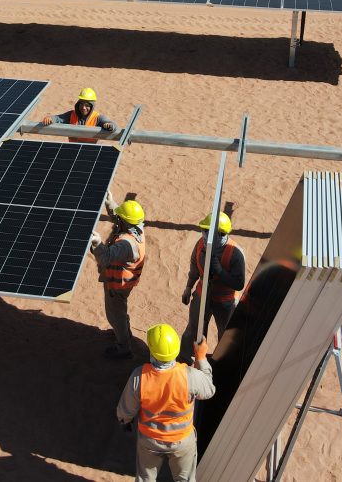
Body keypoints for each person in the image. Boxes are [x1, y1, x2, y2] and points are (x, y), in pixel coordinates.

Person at [116, 324, 215, 482]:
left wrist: (125, 421)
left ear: (152, 353)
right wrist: (201, 358)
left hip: (149, 440)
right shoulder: (189, 376)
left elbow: (125, 410)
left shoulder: (139, 376)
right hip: (182, 441)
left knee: (145, 478)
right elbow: (209, 390)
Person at [179, 211, 246, 364]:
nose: (204, 234)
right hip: (202, 296)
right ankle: (187, 360)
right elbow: (194, 266)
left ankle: (223, 364)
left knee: (225, 336)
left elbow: (239, 283)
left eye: (208, 231)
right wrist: (188, 288)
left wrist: (220, 271)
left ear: (221, 234)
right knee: (194, 330)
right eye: (204, 231)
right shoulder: (200, 244)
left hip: (225, 303)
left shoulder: (235, 253)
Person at [92, 199, 146, 359]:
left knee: (115, 314)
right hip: (124, 283)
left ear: (124, 222)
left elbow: (105, 258)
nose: (117, 218)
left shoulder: (126, 245)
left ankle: (123, 347)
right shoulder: (137, 229)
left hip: (117, 287)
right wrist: (110, 202)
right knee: (120, 311)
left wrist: (97, 244)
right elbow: (120, 216)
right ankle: (124, 333)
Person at [41, 87, 116, 143]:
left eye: (87, 105)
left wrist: (109, 125)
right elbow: (58, 118)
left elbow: (113, 125)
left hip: (89, 152)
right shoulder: (71, 115)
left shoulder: (98, 118)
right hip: (72, 149)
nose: (83, 108)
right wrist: (50, 118)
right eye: (81, 104)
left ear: (92, 106)